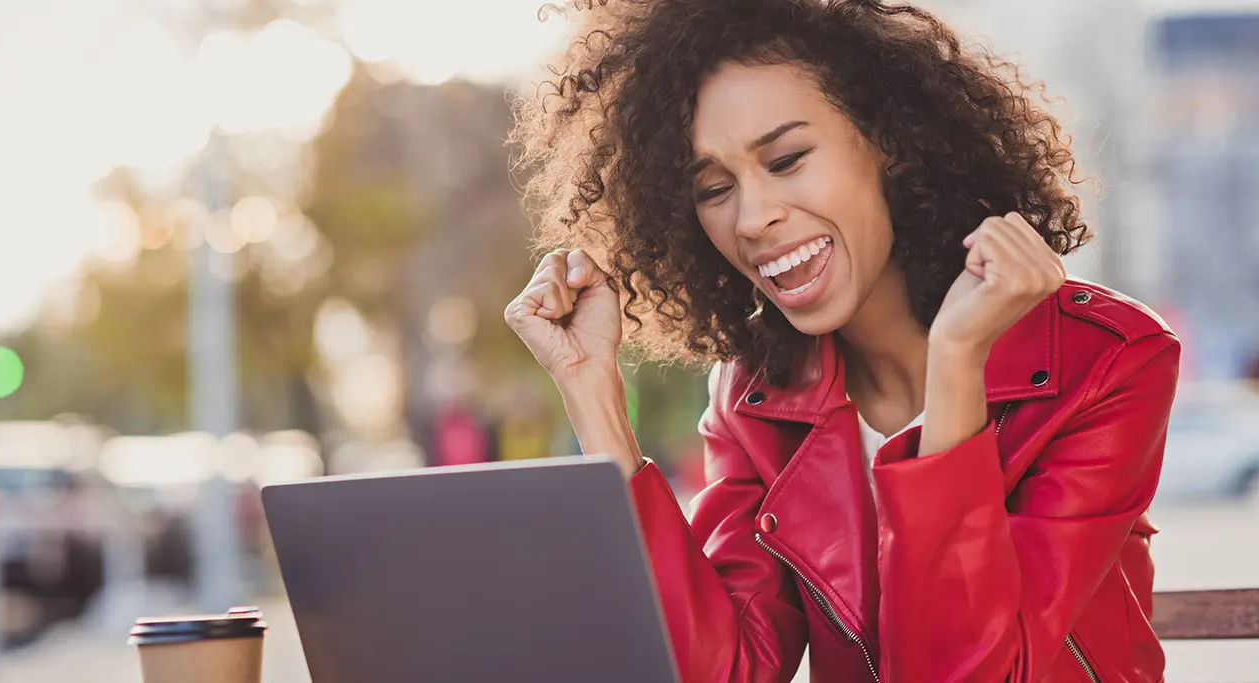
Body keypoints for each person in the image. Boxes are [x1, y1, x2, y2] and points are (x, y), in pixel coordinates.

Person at [504, 1, 1180, 681]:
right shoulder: (755, 401)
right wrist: (592, 391)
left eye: (788, 158)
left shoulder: (1108, 360)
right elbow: (723, 672)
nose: (754, 216)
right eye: (713, 188)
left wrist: (955, 366)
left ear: (887, 138)